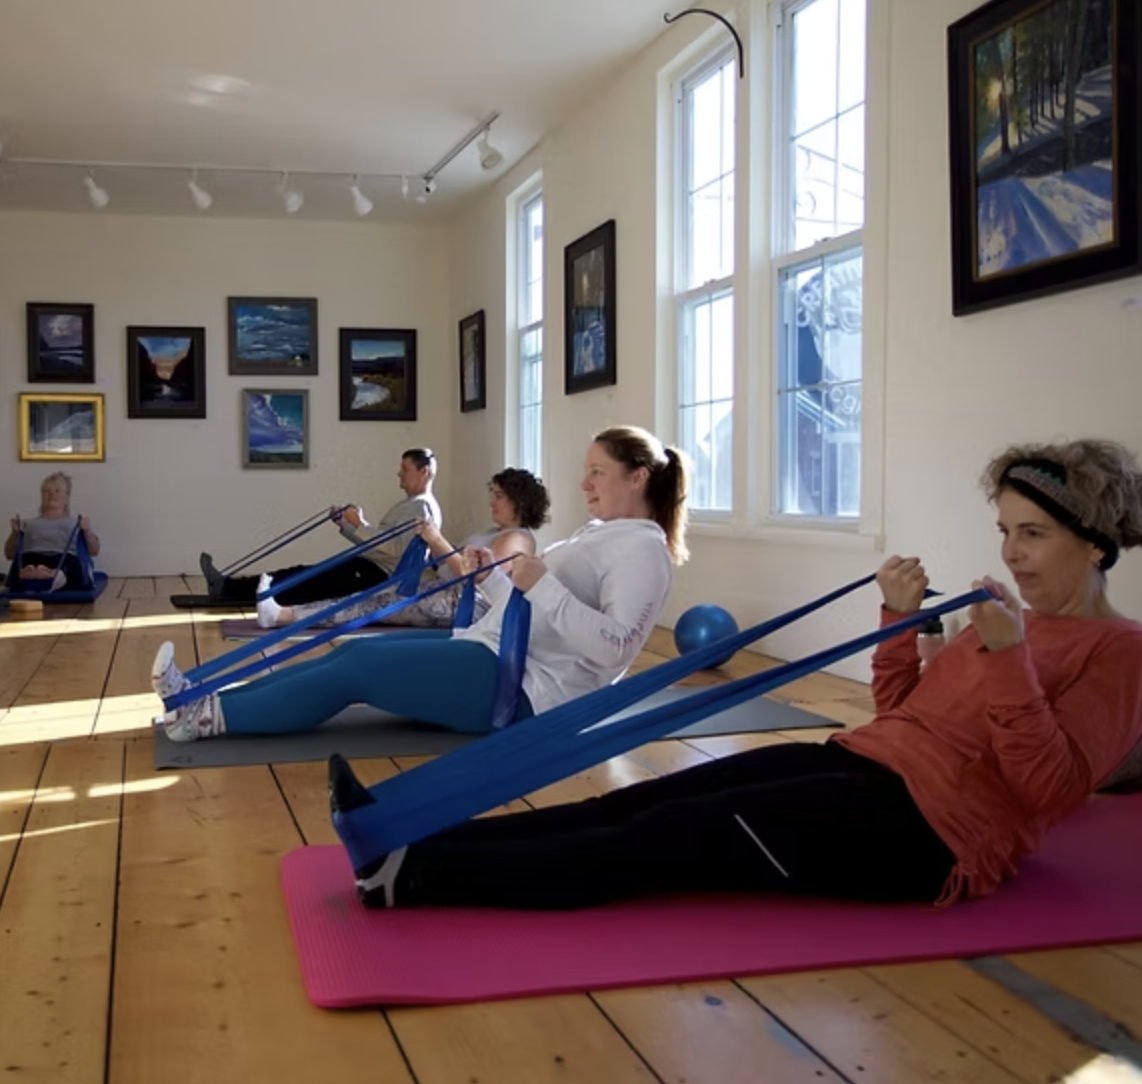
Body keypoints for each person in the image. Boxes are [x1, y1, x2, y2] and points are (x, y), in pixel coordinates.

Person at [322, 438, 1142, 911]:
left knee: (662, 840)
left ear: (1096, 543)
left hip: (932, 836)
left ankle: (419, 880)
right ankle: (413, 842)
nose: (1011, 553)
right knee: (638, 799)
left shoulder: (1119, 651)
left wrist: (1004, 657)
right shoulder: (1009, 621)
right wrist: (897, 624)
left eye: (1032, 534)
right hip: (861, 761)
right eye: (1006, 530)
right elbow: (903, 713)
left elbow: (1052, 789)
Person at [152, 425, 690, 744]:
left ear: (638, 475)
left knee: (358, 670)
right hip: (493, 648)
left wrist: (541, 582)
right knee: (346, 653)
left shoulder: (644, 551)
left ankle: (207, 720)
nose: (585, 482)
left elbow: (615, 650)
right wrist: (496, 578)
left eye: (597, 471)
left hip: (527, 693)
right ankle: (199, 698)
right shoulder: (601, 535)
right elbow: (534, 604)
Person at [255, 468, 550, 630]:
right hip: (446, 590)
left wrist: (436, 540)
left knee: (373, 606)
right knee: (367, 598)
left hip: (466, 606)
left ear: (518, 501)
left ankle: (282, 616)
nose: (492, 502)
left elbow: (479, 580)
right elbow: (449, 566)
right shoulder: (491, 532)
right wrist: (431, 543)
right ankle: (283, 613)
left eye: (499, 496)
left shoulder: (518, 539)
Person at [200, 448, 442, 606]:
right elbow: (378, 545)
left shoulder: (422, 508)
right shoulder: (412, 504)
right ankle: (228, 586)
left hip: (377, 576)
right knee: (300, 574)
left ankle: (229, 589)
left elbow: (395, 549)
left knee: (302, 582)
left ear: (424, 472)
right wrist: (347, 526)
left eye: (405, 469)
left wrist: (360, 523)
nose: (399, 474)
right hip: (368, 567)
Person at [4, 472, 101, 592]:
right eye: (47, 491)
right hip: (31, 559)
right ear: (41, 496)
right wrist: (14, 534)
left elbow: (94, 551)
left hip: (63, 560)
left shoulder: (77, 522)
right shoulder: (27, 523)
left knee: (71, 564)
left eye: (57, 490)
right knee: (25, 561)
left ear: (66, 497)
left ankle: (48, 578)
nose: (51, 493)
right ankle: (35, 575)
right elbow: (9, 555)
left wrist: (87, 531)